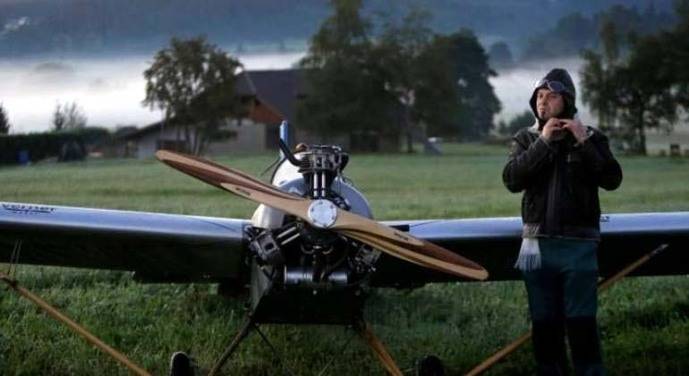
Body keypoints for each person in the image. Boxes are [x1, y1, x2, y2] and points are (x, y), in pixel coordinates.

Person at [502, 68, 622, 375]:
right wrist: (543, 143)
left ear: (567, 100)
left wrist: (584, 143)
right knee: (544, 322)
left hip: (579, 245)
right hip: (536, 247)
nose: (543, 103)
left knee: (581, 320)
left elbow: (612, 179)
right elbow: (512, 179)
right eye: (539, 97)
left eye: (551, 96)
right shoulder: (525, 138)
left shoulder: (592, 137)